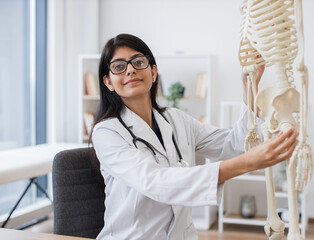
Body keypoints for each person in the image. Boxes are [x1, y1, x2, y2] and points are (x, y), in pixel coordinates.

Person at [90, 33, 298, 240]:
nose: (131, 69)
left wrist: (249, 86)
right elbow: (154, 182)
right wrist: (246, 164)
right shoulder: (107, 132)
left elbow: (234, 144)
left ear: (153, 72)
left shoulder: (175, 119)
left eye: (138, 62)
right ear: (108, 82)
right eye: (119, 66)